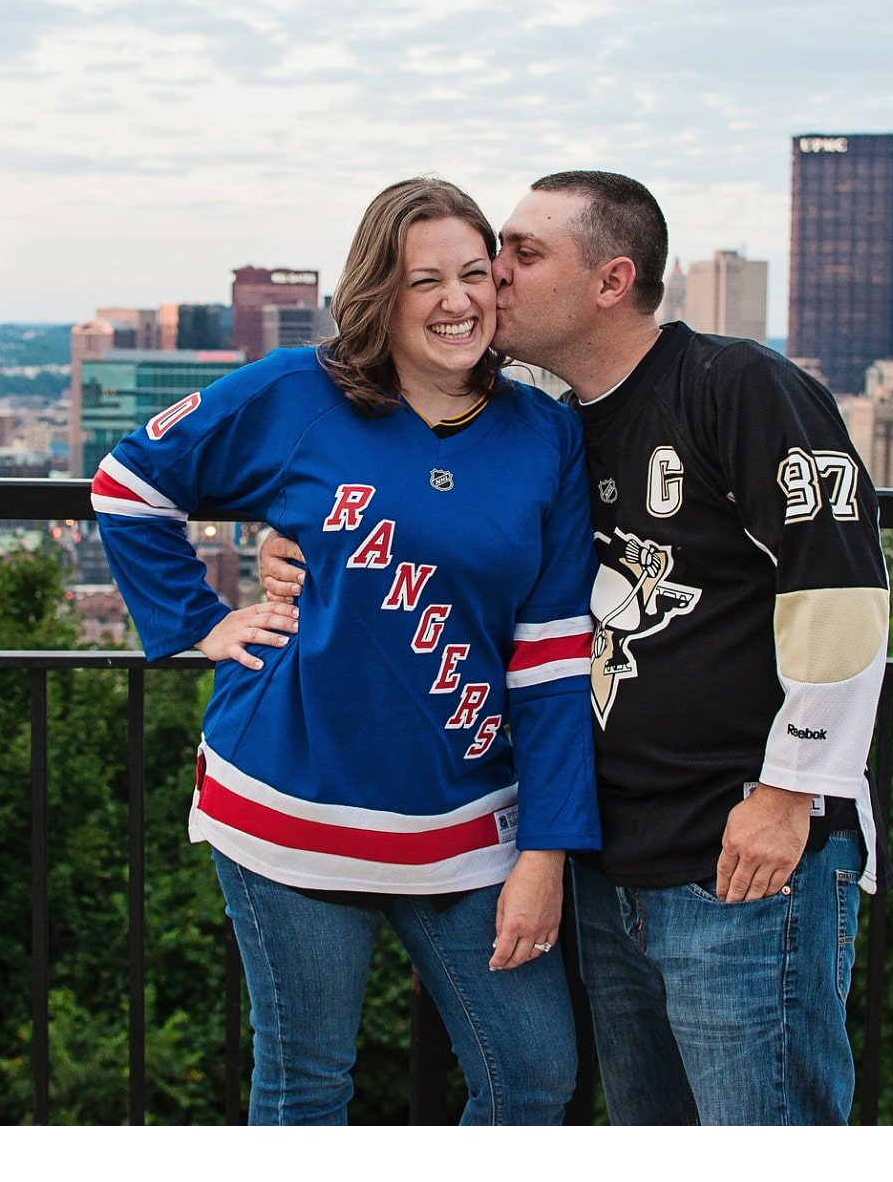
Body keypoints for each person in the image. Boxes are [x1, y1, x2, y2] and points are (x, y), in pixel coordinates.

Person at [260, 168, 888, 1126]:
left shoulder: (739, 386)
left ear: (609, 280)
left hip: (743, 861)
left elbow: (839, 591)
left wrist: (788, 794)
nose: (491, 278)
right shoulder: (550, 431)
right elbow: (423, 532)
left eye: (522, 253)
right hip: (608, 867)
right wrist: (294, 542)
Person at [91, 177, 598, 1126]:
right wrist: (203, 623)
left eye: (476, 275)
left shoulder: (548, 437)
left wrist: (548, 851)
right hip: (289, 808)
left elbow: (553, 656)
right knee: (307, 1087)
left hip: (468, 822)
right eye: (425, 281)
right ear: (379, 294)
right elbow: (128, 486)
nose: (457, 302)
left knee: (533, 1075)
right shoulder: (297, 394)